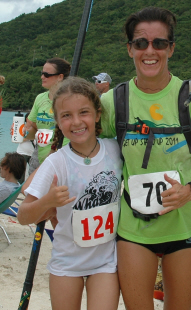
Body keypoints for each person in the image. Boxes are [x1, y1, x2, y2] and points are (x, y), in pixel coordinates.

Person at [100, 7, 191, 310]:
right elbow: (87, 154)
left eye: (159, 43)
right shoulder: (112, 102)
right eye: (141, 43)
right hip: (133, 228)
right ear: (130, 49)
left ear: (170, 48)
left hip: (186, 227)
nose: (150, 51)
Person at [17, 77, 123, 310]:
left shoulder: (115, 150)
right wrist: (47, 201)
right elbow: (23, 216)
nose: (76, 122)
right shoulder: (56, 163)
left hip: (105, 263)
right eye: (66, 115)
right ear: (57, 121)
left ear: (97, 114)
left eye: (83, 112)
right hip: (66, 264)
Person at [24, 57, 71, 165]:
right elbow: (34, 130)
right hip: (42, 162)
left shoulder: (71, 99)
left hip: (66, 161)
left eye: (47, 74)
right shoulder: (40, 98)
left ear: (60, 77)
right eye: (42, 73)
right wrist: (22, 132)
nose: (42, 77)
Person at [16, 112, 36, 183]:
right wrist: (29, 137)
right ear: (27, 119)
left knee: (33, 172)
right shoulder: (21, 127)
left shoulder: (35, 128)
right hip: (22, 152)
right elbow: (19, 139)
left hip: (32, 153)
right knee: (21, 172)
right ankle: (19, 188)